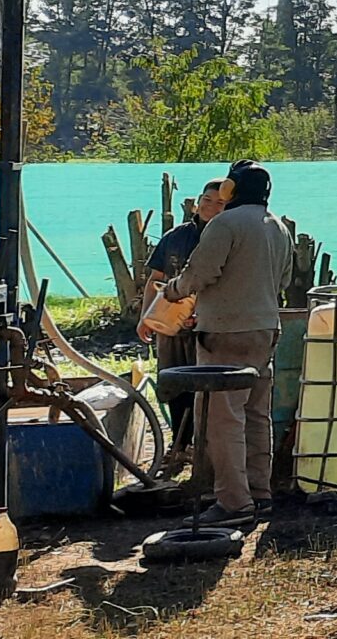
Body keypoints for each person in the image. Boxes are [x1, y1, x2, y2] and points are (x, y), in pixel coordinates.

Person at [161, 160, 291, 526]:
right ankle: (259, 494)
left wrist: (173, 291)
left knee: (222, 419)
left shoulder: (224, 224)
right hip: (265, 329)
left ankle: (234, 503)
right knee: (255, 413)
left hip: (226, 334)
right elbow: (283, 280)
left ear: (231, 190)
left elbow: (199, 274)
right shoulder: (278, 227)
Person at [140, 180, 227, 463]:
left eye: (220, 203)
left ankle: (205, 450)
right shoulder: (175, 237)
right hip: (171, 327)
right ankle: (178, 445)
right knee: (174, 383)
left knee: (206, 389)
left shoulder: (228, 238)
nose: (211, 207)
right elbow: (155, 281)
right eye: (207, 200)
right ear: (197, 201)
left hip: (211, 327)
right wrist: (147, 318)